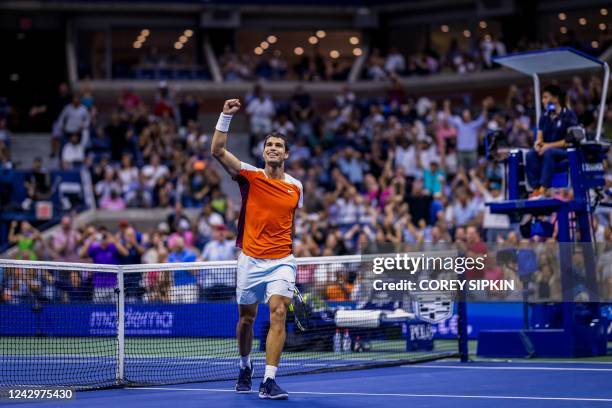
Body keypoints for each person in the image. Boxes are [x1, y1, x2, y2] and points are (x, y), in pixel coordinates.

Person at [211, 99, 303, 400]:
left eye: (278, 145)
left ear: (286, 153)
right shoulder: (249, 176)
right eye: (269, 145)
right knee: (246, 321)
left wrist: (288, 253)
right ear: (264, 152)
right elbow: (217, 151)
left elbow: (289, 222)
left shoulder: (296, 187)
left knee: (278, 313)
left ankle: (269, 380)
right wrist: (225, 116)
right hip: (250, 260)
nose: (273, 148)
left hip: (282, 261)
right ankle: (245, 365)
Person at [525, 85, 578, 199]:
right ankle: (536, 190)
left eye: (545, 97)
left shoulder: (568, 115)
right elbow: (539, 138)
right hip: (547, 151)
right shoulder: (544, 117)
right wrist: (538, 145)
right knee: (530, 154)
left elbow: (568, 142)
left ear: (555, 98)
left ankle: (544, 189)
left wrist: (547, 147)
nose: (543, 100)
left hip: (564, 151)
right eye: (542, 98)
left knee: (549, 152)